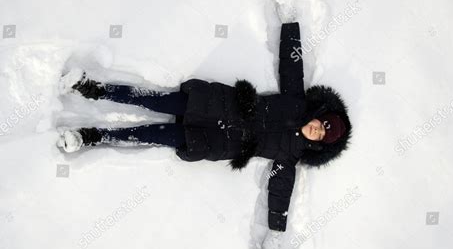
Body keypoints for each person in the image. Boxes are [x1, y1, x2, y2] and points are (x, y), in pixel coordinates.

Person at [57, 21, 352, 233]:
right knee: (153, 101)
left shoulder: (293, 155)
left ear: (321, 144)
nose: (318, 130)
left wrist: (277, 221)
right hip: (216, 106)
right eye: (322, 124)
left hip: (215, 140)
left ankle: (92, 137)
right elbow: (291, 67)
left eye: (323, 135)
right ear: (319, 114)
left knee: (149, 135)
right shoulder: (296, 101)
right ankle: (94, 88)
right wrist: (290, 29)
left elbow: (281, 186)